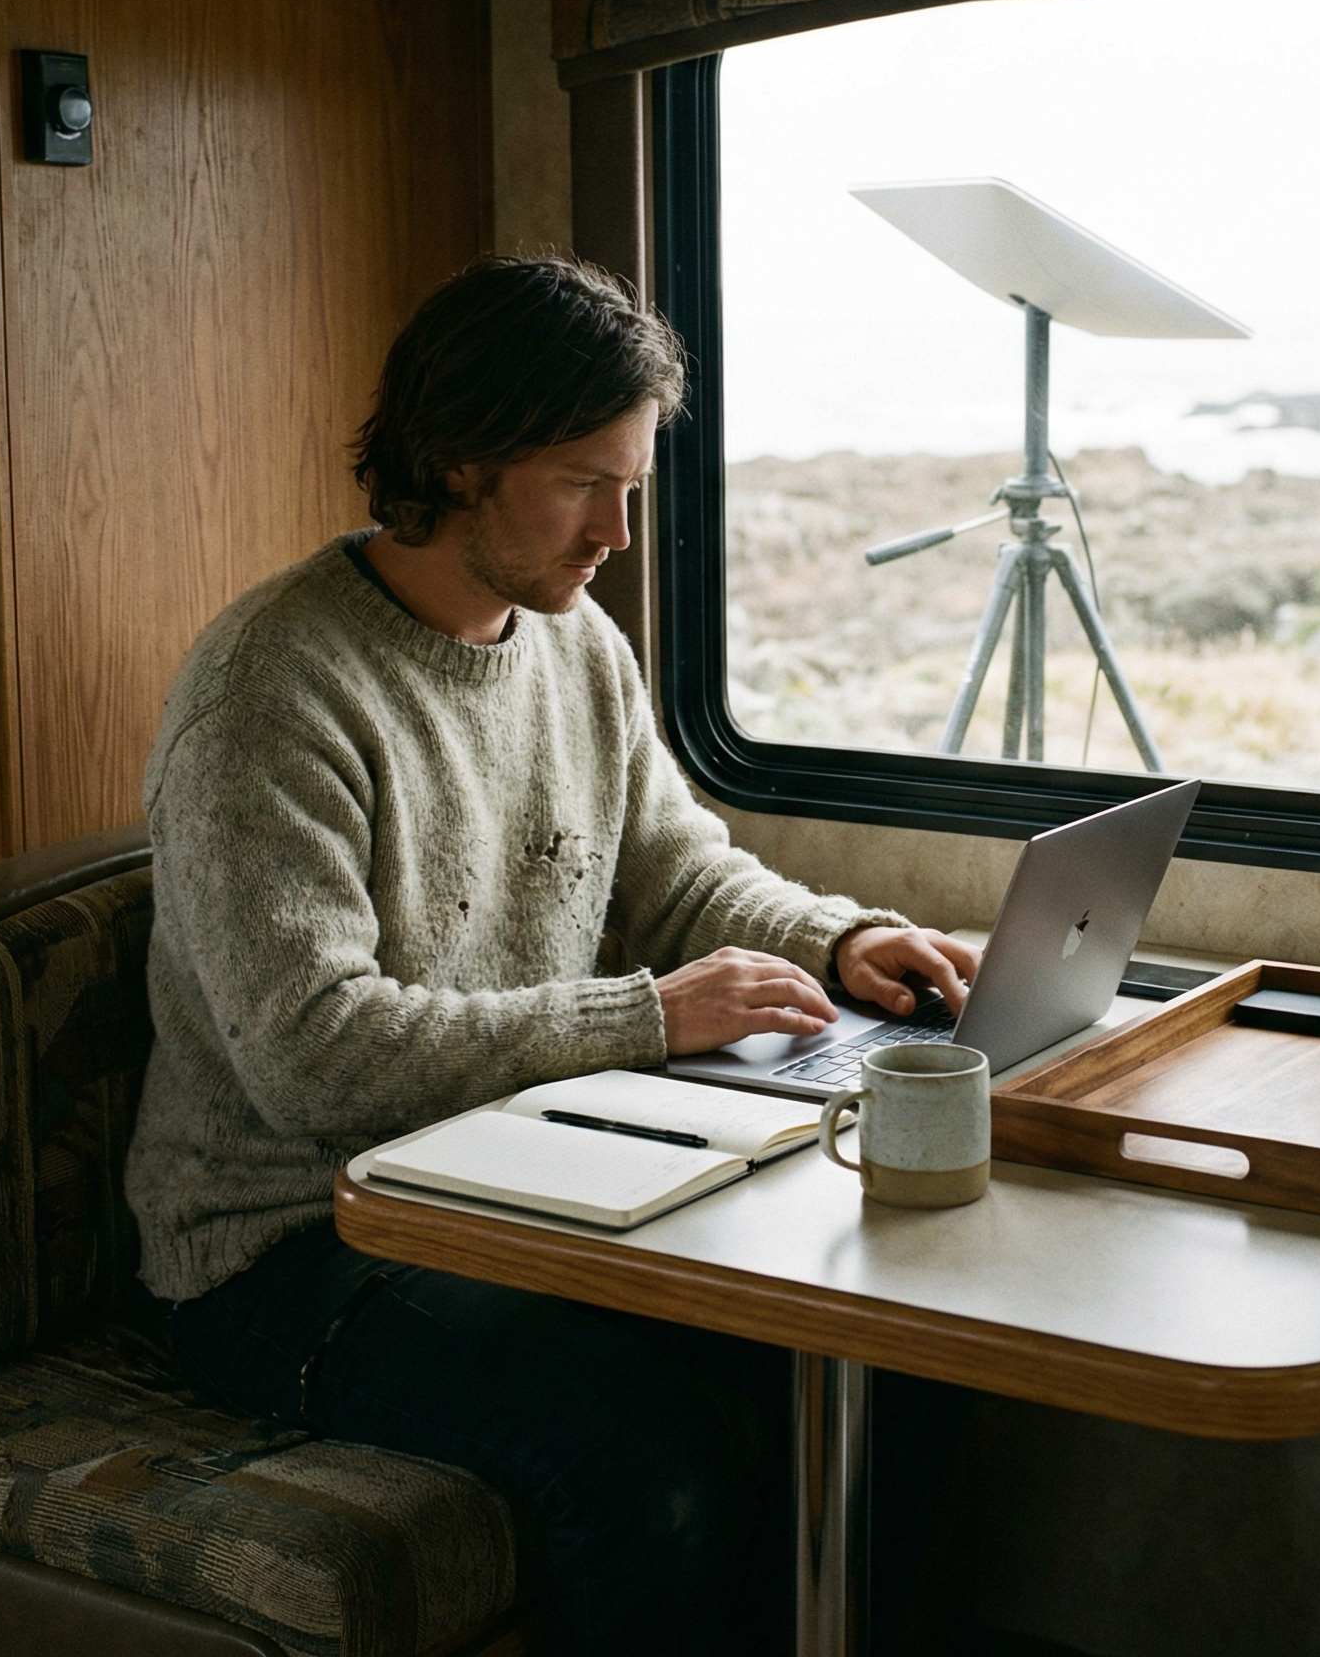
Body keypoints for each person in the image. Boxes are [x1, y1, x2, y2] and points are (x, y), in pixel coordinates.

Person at [124, 254, 981, 1657]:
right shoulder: (271, 691)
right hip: (291, 1243)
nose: (620, 535)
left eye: (633, 484)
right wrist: (647, 1020)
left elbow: (676, 871)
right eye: (589, 483)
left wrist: (844, 939)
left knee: (903, 1364)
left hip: (518, 1173)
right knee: (642, 1456)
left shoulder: (577, 647)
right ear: (462, 460)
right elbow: (311, 1057)